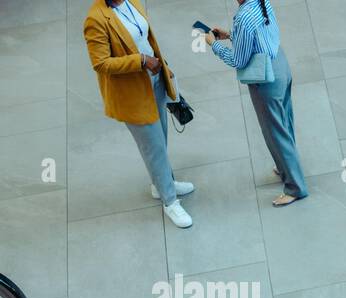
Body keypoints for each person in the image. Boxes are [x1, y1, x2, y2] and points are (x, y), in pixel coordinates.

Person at [83, 0, 194, 228]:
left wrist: (161, 65)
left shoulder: (132, 2)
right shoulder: (95, 19)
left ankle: (162, 183)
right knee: (153, 147)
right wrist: (141, 61)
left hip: (156, 81)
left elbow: (147, 40)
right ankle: (170, 201)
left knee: (160, 139)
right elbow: (101, 63)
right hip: (133, 92)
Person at [205, 0, 307, 206]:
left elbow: (239, 61)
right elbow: (258, 37)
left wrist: (214, 44)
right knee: (284, 121)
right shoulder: (262, 2)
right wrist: (232, 35)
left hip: (265, 78)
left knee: (275, 132)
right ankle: (286, 166)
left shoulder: (243, 17)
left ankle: (295, 188)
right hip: (280, 66)